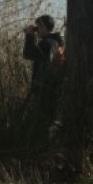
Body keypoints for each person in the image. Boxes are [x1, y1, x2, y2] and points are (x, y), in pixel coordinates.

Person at [21, 14, 65, 143]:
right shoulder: (59, 40)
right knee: (51, 117)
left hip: (44, 87)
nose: (36, 29)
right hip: (55, 85)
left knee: (43, 119)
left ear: (45, 28)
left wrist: (29, 35)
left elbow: (28, 54)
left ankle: (42, 144)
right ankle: (48, 143)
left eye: (38, 27)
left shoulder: (47, 43)